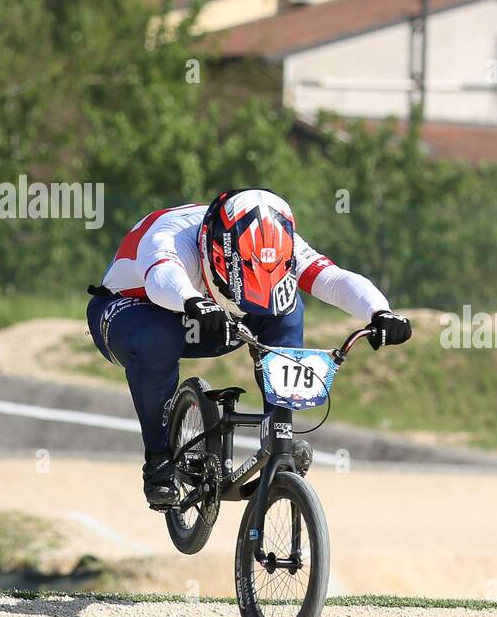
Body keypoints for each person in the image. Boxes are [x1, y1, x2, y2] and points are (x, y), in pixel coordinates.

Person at [86, 188, 411, 507]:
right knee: (156, 339)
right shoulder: (172, 235)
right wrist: (194, 302)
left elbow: (333, 279)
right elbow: (162, 279)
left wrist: (380, 312)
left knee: (287, 309)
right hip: (132, 311)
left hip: (219, 320)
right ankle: (158, 461)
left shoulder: (280, 242)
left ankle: (279, 432)